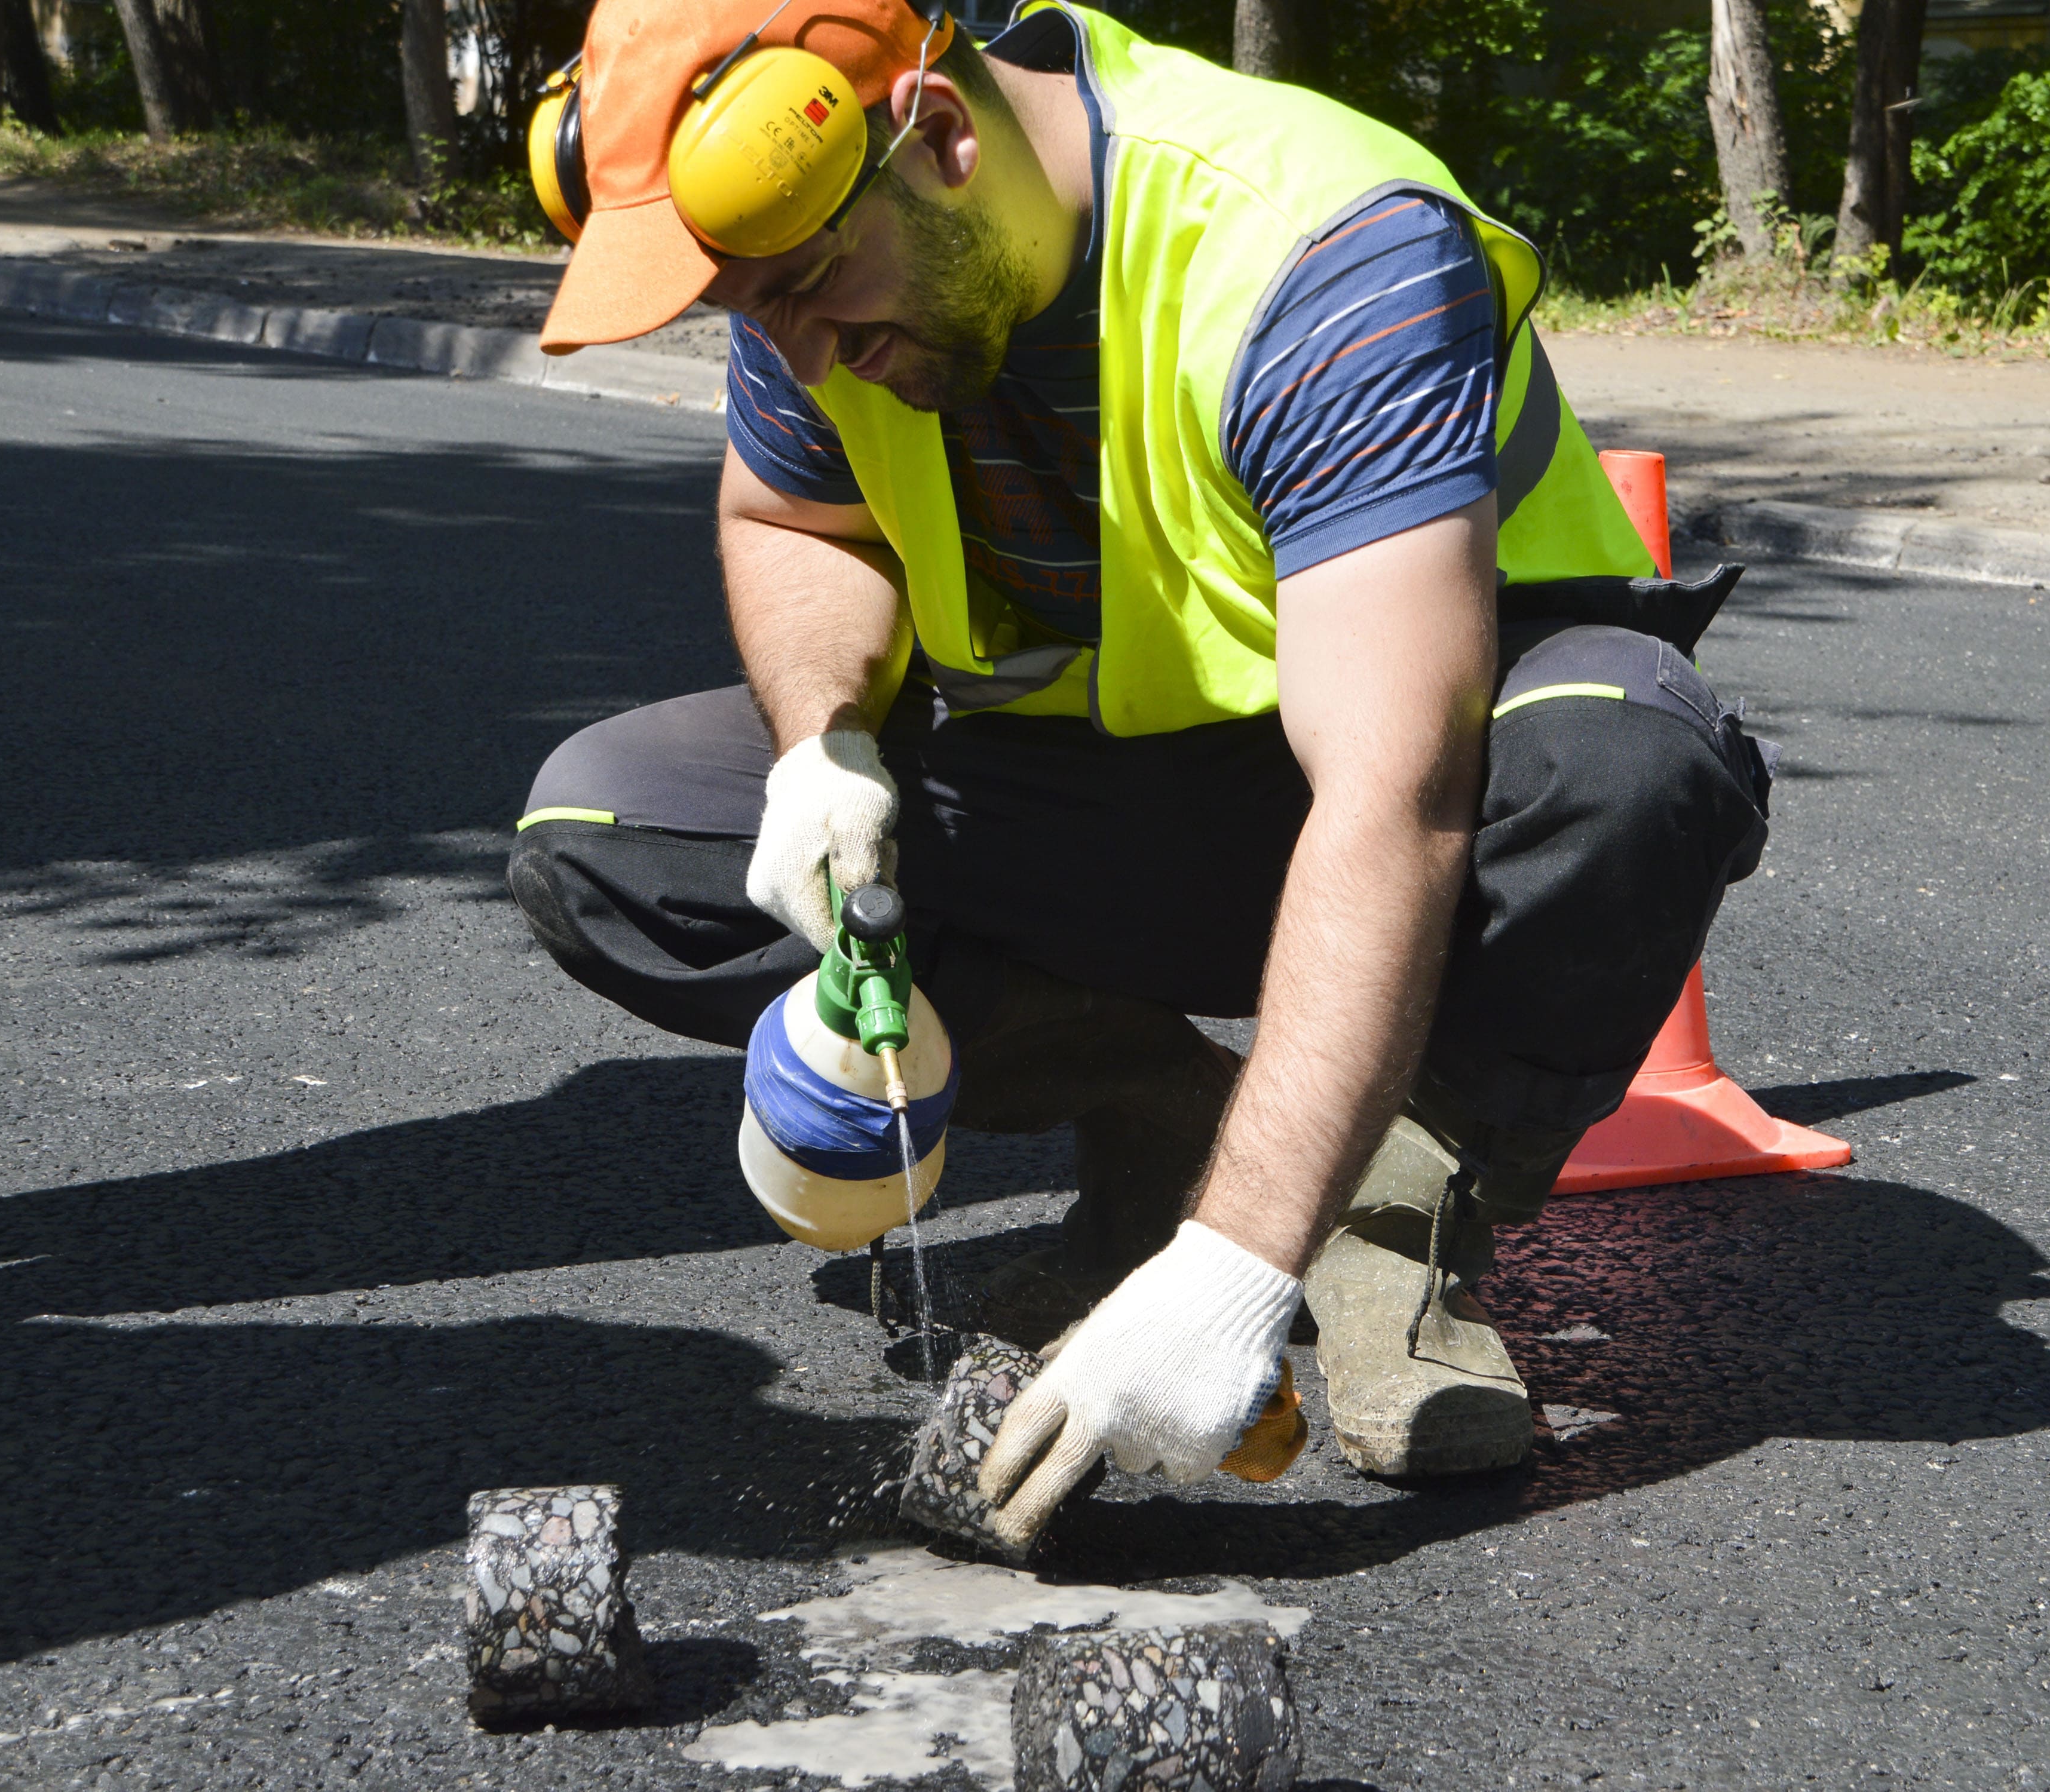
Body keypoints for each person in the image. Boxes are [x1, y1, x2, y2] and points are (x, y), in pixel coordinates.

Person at [506, 0, 1771, 1535]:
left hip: (1409, 812)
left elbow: (1394, 795)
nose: (798, 348)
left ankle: (1383, 1206)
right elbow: (796, 523)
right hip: (1098, 802)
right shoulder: (814, 269)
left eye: (808, 295)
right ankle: (1167, 1116)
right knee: (606, 833)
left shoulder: (1323, 252)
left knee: (1637, 765)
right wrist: (822, 745)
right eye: (754, 311)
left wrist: (1236, 1272)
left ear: (944, 138)